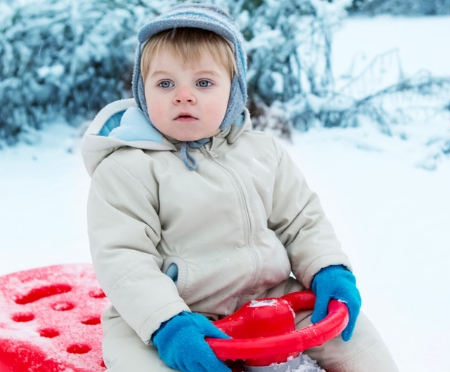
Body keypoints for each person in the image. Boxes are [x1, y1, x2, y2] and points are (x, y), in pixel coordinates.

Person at [81, 4, 398, 372]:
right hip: (178, 316)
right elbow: (123, 258)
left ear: (234, 90)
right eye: (165, 83)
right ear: (142, 90)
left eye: (203, 83)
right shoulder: (127, 168)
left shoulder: (263, 153)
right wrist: (166, 322)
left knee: (356, 340)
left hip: (271, 300)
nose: (183, 96)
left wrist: (328, 269)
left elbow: (302, 221)